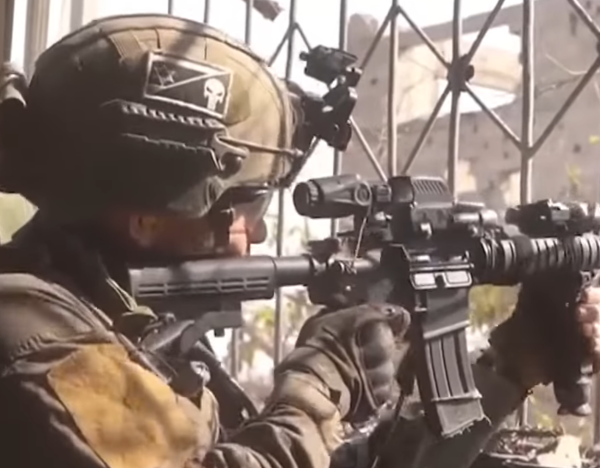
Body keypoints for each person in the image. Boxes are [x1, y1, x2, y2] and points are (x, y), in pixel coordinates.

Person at [0, 13, 596, 468]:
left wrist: (509, 368)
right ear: (145, 217)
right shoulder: (39, 347)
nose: (257, 230)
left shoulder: (126, 325)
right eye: (243, 204)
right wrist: (318, 383)